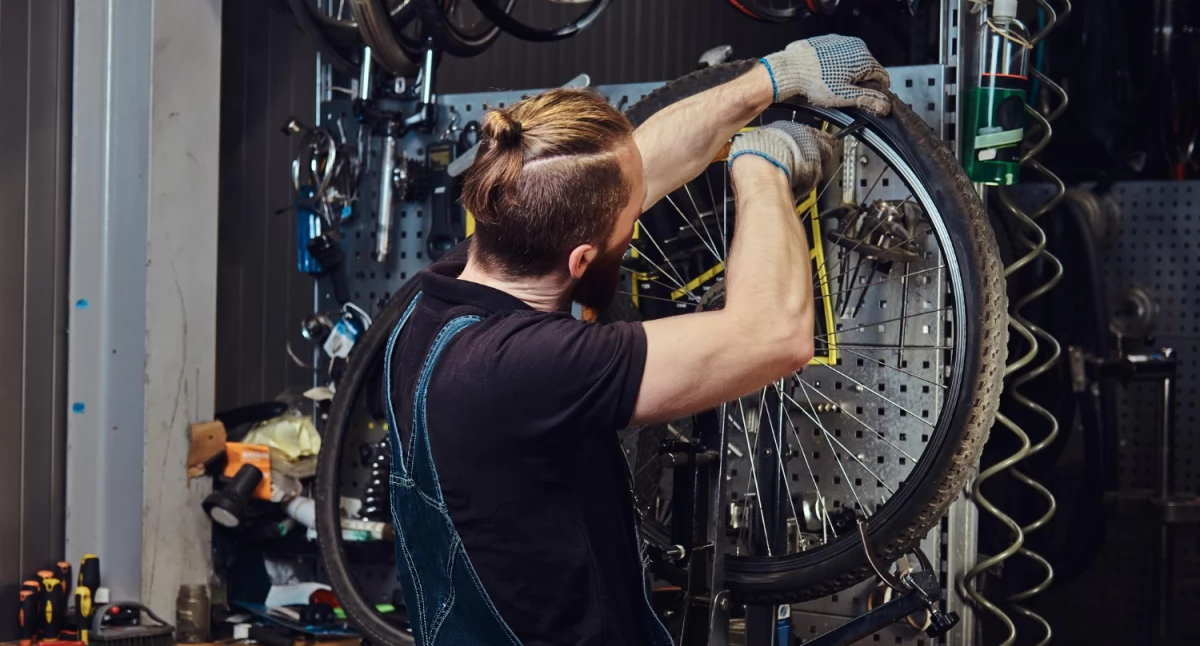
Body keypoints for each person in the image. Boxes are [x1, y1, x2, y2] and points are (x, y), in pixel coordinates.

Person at [382, 35, 892, 646]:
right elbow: (773, 335)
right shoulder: (522, 367)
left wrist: (774, 77)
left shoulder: (436, 300)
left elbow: (628, 167)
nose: (636, 222)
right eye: (629, 226)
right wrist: (762, 170)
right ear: (580, 259)